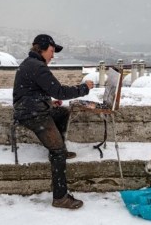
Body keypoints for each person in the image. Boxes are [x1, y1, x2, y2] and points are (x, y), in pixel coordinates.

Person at [13, 34, 94, 209]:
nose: (53, 55)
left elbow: (31, 91)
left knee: (62, 113)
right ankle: (60, 197)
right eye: (51, 51)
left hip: (31, 108)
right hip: (32, 114)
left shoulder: (31, 63)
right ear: (41, 49)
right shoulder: (37, 67)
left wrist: (47, 102)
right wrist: (84, 88)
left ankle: (58, 148)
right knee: (57, 153)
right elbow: (59, 91)